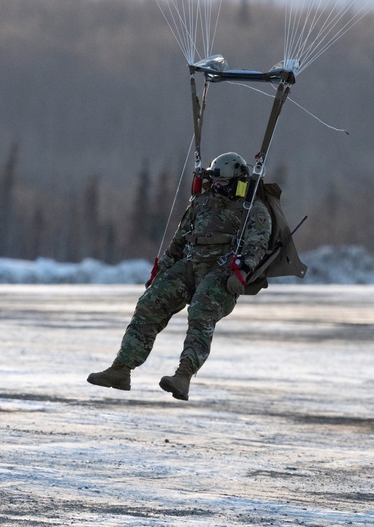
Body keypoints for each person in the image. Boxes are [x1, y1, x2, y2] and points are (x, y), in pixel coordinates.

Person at [87, 152, 272, 401]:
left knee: (201, 311)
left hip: (222, 270)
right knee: (149, 303)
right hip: (191, 264)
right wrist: (161, 271)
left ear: (237, 182)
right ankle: (121, 369)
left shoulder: (253, 209)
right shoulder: (202, 203)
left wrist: (243, 272)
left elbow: (257, 243)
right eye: (214, 182)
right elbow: (180, 239)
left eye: (222, 183)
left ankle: (183, 376)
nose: (217, 187)